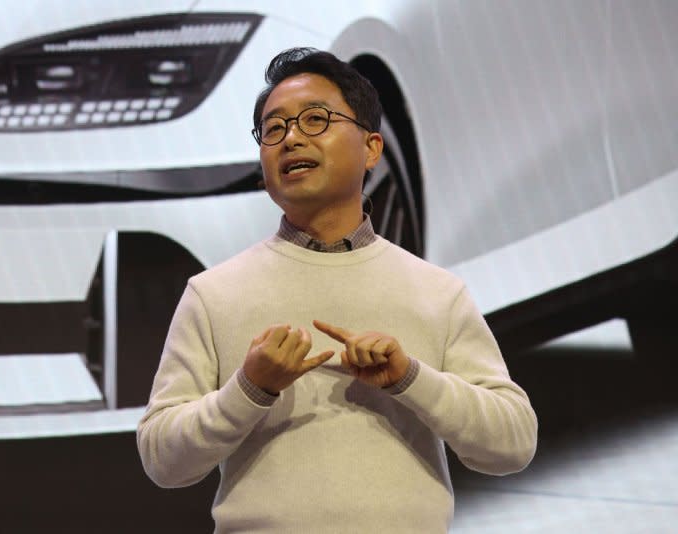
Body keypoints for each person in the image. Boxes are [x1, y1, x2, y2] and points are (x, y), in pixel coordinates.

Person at [137, 47, 537, 533]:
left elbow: (513, 443)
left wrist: (409, 378)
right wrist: (249, 389)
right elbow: (163, 460)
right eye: (274, 128)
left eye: (314, 120)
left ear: (371, 147)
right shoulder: (213, 293)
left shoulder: (437, 292)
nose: (290, 139)